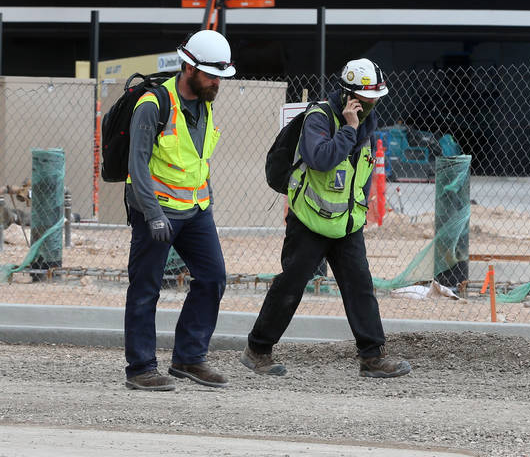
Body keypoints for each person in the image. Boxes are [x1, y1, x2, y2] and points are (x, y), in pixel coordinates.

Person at [241, 58, 411, 379]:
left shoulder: (367, 122)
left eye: (377, 95)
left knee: (360, 287)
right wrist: (348, 129)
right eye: (370, 96)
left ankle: (372, 357)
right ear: (351, 96)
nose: (376, 102)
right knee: (290, 286)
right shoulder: (319, 118)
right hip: (308, 221)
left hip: (346, 223)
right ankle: (258, 350)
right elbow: (320, 159)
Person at [123, 29, 234, 391]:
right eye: (211, 74)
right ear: (188, 68)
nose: (217, 82)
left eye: (220, 75)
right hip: (156, 210)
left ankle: (189, 358)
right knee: (146, 288)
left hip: (196, 209)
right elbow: (137, 164)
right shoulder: (153, 104)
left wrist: (208, 201)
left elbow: (196, 159)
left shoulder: (206, 102)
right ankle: (141, 368)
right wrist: (152, 212)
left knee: (213, 277)